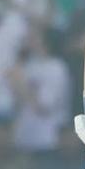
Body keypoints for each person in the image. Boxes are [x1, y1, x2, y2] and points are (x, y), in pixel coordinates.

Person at [10, 26, 71, 154]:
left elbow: (44, 105)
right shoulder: (31, 65)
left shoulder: (57, 69)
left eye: (37, 37)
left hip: (47, 140)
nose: (32, 40)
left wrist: (21, 85)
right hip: (25, 138)